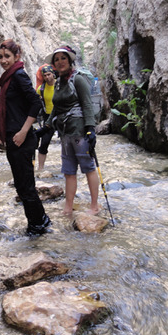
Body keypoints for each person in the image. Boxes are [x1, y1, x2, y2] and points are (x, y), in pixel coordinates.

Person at [0, 39, 52, 235]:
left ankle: (37, 225)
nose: (3, 60)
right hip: (14, 138)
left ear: (16, 57)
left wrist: (24, 130)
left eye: (7, 56)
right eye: (1, 57)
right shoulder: (9, 77)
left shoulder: (18, 75)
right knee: (22, 185)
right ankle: (40, 220)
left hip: (22, 139)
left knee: (26, 186)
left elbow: (36, 103)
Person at [42, 45, 100, 216]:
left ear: (70, 60)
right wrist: (46, 127)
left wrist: (91, 128)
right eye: (57, 59)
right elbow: (56, 109)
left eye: (63, 58)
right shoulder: (59, 82)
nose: (60, 62)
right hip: (65, 133)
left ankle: (94, 206)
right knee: (68, 171)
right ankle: (68, 208)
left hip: (80, 131)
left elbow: (87, 104)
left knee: (88, 167)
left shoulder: (78, 79)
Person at [36, 64, 56, 171]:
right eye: (45, 75)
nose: (47, 77)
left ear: (53, 74)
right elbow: (35, 103)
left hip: (62, 117)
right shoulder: (41, 89)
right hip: (48, 118)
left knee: (68, 143)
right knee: (44, 143)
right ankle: (40, 168)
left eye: (49, 74)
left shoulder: (60, 85)